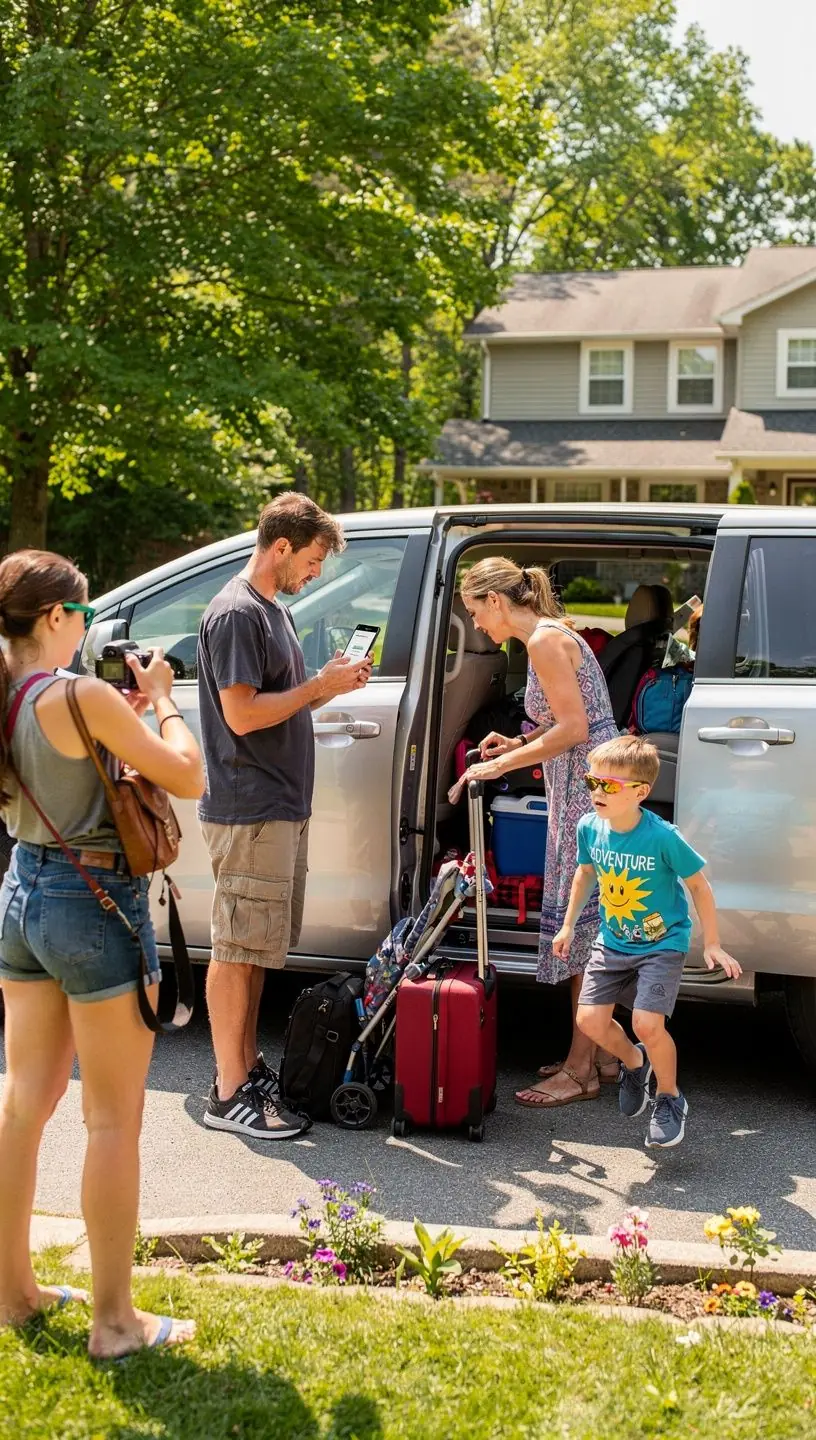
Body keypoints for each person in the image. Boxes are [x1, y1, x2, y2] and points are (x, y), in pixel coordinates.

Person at [0, 548, 203, 1357]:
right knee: (111, 1119)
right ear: (56, 618)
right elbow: (185, 777)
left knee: (23, 1103)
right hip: (90, 901)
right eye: (81, 614)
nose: (86, 627)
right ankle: (116, 1324)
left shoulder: (10, 691)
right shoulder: (82, 695)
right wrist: (161, 703)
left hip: (21, 893)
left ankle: (13, 1293)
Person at [198, 493, 372, 1139]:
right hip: (251, 807)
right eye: (314, 559)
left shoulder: (273, 612)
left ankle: (244, 1069)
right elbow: (242, 715)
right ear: (280, 547)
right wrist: (318, 688)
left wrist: (327, 689)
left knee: (253, 949)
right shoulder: (238, 613)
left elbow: (278, 707)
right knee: (236, 948)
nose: (316, 572)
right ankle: (227, 1092)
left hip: (276, 804)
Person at [460, 558, 620, 1109]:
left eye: (476, 611)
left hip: (585, 790)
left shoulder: (544, 643)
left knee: (584, 931)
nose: (478, 625)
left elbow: (576, 728)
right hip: (585, 785)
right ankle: (598, 1054)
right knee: (590, 926)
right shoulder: (548, 637)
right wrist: (516, 743)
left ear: (497, 602)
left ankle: (581, 1070)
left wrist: (497, 768)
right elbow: (566, 719)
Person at [555, 735, 741, 1149]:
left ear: (640, 792)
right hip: (614, 940)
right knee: (589, 1022)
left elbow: (699, 885)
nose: (597, 793)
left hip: (662, 943)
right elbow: (585, 874)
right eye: (592, 782)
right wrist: (568, 925)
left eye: (609, 786)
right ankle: (635, 1061)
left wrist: (712, 942)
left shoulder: (662, 836)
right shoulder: (591, 828)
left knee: (647, 1023)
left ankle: (670, 1098)